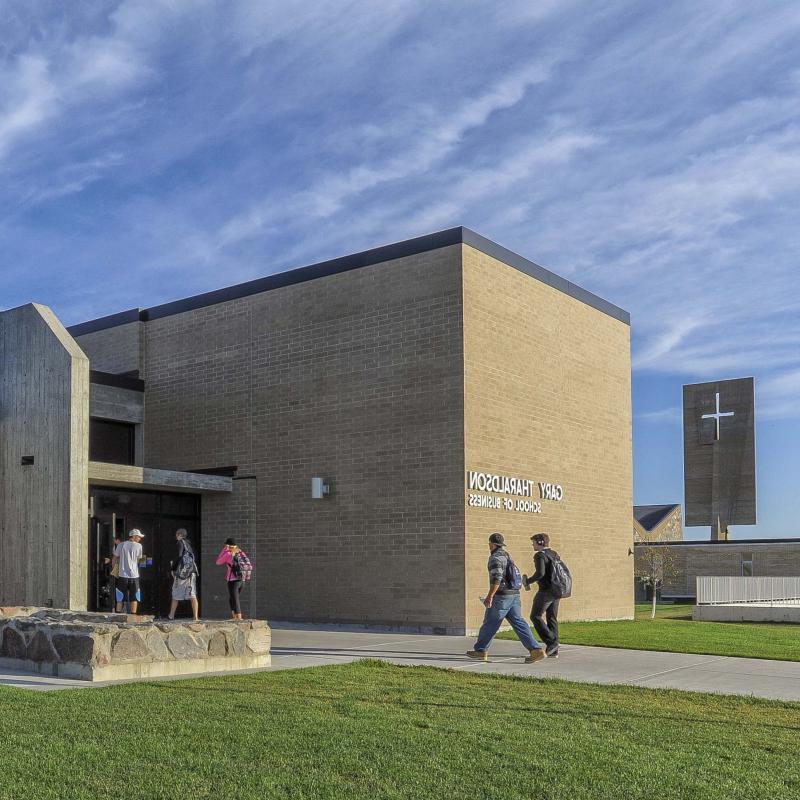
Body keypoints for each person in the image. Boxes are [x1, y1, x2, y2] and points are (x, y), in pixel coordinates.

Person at [466, 532, 544, 663]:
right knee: (519, 623)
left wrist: (490, 596)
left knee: (490, 623)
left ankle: (480, 651)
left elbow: (496, 579)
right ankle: (536, 650)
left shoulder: (495, 558)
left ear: (491, 544)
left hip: (502, 597)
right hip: (514, 595)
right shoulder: (506, 555)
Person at [524, 532, 560, 658]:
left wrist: (528, 581)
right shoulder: (553, 554)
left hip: (546, 591)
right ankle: (553, 650)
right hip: (556, 590)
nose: (532, 545)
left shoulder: (539, 555)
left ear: (540, 543)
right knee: (552, 618)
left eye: (533, 542)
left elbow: (540, 573)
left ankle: (552, 642)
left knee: (535, 616)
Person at [168, 529, 199, 621]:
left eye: (176, 534)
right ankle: (196, 616)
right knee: (193, 594)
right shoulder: (190, 544)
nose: (176, 536)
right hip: (191, 572)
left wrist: (173, 568)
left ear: (179, 535)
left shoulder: (180, 543)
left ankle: (171, 615)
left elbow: (179, 555)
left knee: (175, 594)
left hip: (182, 573)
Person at [216, 537, 249, 620]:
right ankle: (234, 616)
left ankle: (239, 618)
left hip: (233, 580)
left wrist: (224, 550)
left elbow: (218, 562)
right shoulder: (240, 551)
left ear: (228, 545)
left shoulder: (229, 554)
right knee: (232, 598)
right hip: (242, 580)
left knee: (235, 599)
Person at [114, 529, 144, 614]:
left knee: (120, 597)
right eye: (138, 537)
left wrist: (115, 571)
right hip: (134, 575)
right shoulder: (139, 546)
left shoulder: (121, 545)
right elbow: (140, 560)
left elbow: (114, 558)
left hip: (122, 575)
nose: (140, 539)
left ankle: (117, 616)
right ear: (133, 536)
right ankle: (133, 617)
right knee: (134, 598)